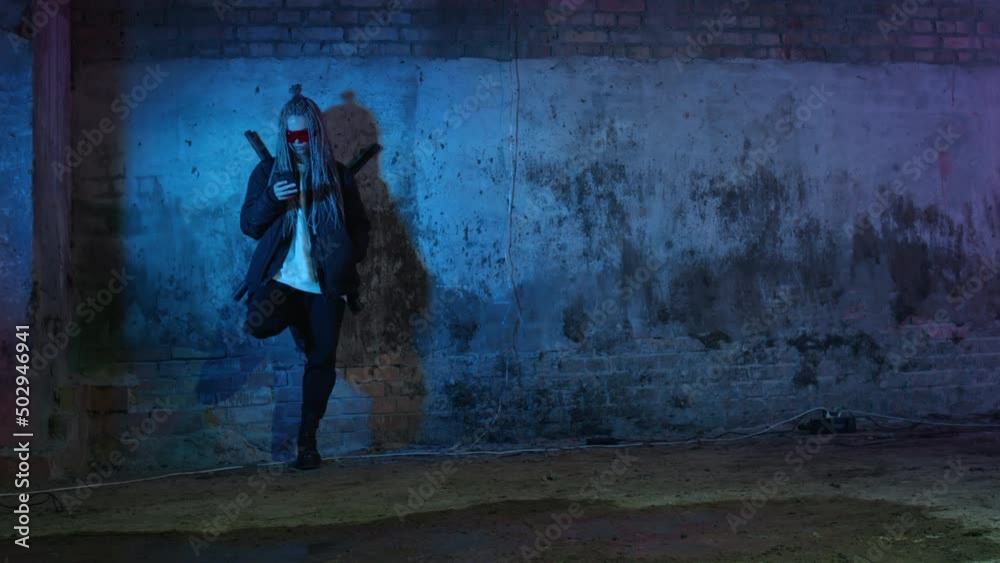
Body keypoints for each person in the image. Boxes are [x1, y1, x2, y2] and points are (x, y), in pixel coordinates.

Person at [239, 83, 371, 470]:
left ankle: (307, 442)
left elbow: (360, 227)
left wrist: (345, 260)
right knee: (258, 323)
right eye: (291, 136)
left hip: (325, 287)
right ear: (284, 135)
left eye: (304, 135)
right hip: (284, 283)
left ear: (316, 133)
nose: (298, 143)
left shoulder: (338, 176)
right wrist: (272, 199)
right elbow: (249, 225)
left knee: (321, 362)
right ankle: (297, 317)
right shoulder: (267, 173)